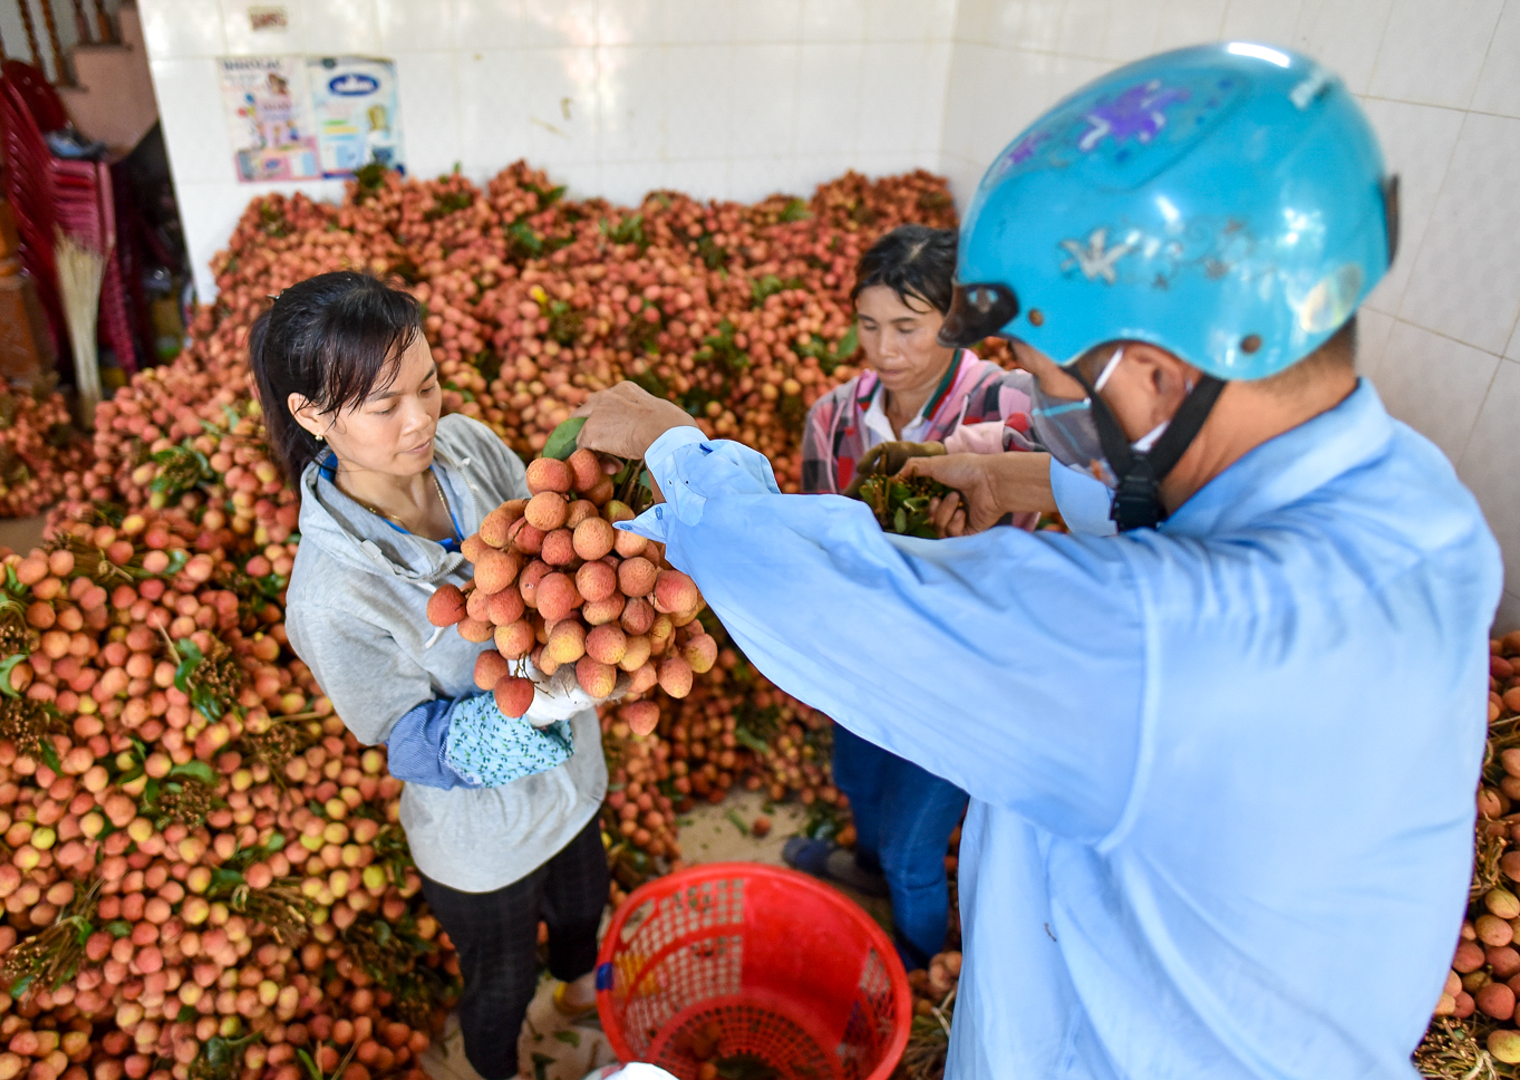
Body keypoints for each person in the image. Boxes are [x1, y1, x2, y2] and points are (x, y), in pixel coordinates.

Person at [572, 44, 1502, 1080]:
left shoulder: (1170, 650)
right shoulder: (1421, 509)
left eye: (1040, 374)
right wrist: (1019, 480)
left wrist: (680, 457)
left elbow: (855, 606)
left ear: (1150, 374)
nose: (1035, 401)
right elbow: (1171, 512)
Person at [252, 272, 609, 1080]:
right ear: (310, 415)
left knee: (586, 909)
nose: (421, 420)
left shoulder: (471, 446)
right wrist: (548, 699)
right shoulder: (327, 596)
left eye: (430, 384)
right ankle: (502, 1066)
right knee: (501, 982)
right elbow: (410, 744)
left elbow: (544, 542)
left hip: (577, 782)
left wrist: (604, 601)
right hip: (479, 842)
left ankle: (586, 1001)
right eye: (384, 406)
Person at [786, 224, 1037, 971]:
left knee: (912, 848)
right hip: (862, 659)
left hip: (963, 675)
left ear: (951, 320)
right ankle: (862, 868)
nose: (885, 349)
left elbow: (1035, 535)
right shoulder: (832, 416)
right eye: (869, 326)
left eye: (908, 327)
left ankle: (912, 964)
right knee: (858, 781)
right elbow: (816, 535)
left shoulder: (1010, 404)